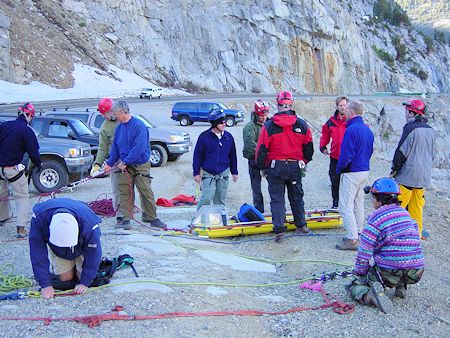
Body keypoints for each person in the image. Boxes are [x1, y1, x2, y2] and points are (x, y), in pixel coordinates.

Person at [347, 177, 424, 314]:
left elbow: (364, 253)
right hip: (416, 272)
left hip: (389, 273)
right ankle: (401, 286)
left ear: (378, 199)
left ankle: (369, 296)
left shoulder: (376, 219)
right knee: (402, 254)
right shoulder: (406, 215)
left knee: (354, 286)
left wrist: (360, 273)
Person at [256, 91, 314, 242]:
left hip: (276, 166)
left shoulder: (269, 125)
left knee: (277, 199)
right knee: (296, 196)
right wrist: (303, 161)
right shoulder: (302, 124)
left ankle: (280, 232)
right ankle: (301, 225)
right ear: (291, 104)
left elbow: (261, 149)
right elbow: (309, 148)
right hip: (295, 166)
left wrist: (263, 167)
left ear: (278, 104)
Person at [103, 100, 166, 229]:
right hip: (124, 165)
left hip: (140, 164)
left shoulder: (139, 126)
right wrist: (109, 164)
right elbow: (115, 147)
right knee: (125, 191)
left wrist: (125, 161)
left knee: (145, 190)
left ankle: (151, 217)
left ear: (121, 112)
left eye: (115, 113)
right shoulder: (119, 128)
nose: (114, 116)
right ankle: (126, 218)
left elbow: (139, 148)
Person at [29, 198, 103, 299]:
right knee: (65, 278)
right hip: (57, 250)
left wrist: (85, 282)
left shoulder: (89, 223)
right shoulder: (39, 218)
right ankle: (70, 266)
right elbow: (37, 252)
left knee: (82, 277)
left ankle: (78, 266)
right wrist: (45, 284)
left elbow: (93, 253)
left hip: (80, 246)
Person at [391, 99, 436, 240]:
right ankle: (416, 236)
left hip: (408, 175)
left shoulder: (410, 128)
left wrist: (394, 169)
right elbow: (433, 154)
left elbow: (401, 152)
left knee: (398, 205)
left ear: (412, 112)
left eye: (407, 110)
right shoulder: (431, 130)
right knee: (417, 206)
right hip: (423, 176)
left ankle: (394, 234)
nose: (405, 113)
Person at [335, 100, 374, 250]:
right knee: (359, 203)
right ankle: (358, 233)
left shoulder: (351, 130)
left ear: (351, 112)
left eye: (347, 111)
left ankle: (352, 238)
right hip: (364, 170)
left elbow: (346, 154)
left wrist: (339, 168)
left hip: (352, 171)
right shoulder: (367, 130)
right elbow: (370, 151)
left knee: (345, 205)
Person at [0, 102, 41, 238]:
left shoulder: (4, 125)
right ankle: (21, 228)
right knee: (22, 196)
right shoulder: (26, 131)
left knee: (2, 194)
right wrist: (38, 165)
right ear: (29, 115)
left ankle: (3, 218)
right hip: (13, 169)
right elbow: (33, 152)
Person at [193, 109, 238, 210]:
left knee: (220, 199)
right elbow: (197, 156)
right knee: (207, 197)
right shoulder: (204, 137)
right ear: (214, 123)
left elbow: (233, 155)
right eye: (221, 122)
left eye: (225, 121)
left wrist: (234, 172)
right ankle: (200, 219)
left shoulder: (228, 137)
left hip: (223, 173)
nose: (224, 124)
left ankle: (220, 221)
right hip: (208, 173)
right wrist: (196, 173)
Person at [90, 98, 124, 226]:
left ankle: (142, 213)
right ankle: (120, 215)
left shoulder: (123, 119)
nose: (104, 116)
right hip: (115, 160)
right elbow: (103, 147)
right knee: (117, 188)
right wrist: (97, 164)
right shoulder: (105, 127)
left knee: (135, 186)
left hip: (130, 158)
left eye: (105, 114)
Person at [319, 96, 348, 209]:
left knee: (347, 183)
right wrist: (323, 147)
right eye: (341, 105)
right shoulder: (331, 122)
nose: (343, 107)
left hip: (348, 158)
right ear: (337, 106)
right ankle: (335, 204)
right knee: (334, 181)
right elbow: (324, 135)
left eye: (344, 105)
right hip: (335, 157)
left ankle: (346, 205)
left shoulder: (350, 120)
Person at [242, 100, 270, 213]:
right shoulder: (249, 127)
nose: (263, 118)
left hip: (268, 159)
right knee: (256, 188)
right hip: (254, 160)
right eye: (261, 115)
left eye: (265, 115)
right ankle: (259, 211)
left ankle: (277, 208)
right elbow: (250, 145)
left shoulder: (270, 125)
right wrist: (263, 155)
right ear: (256, 114)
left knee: (275, 186)